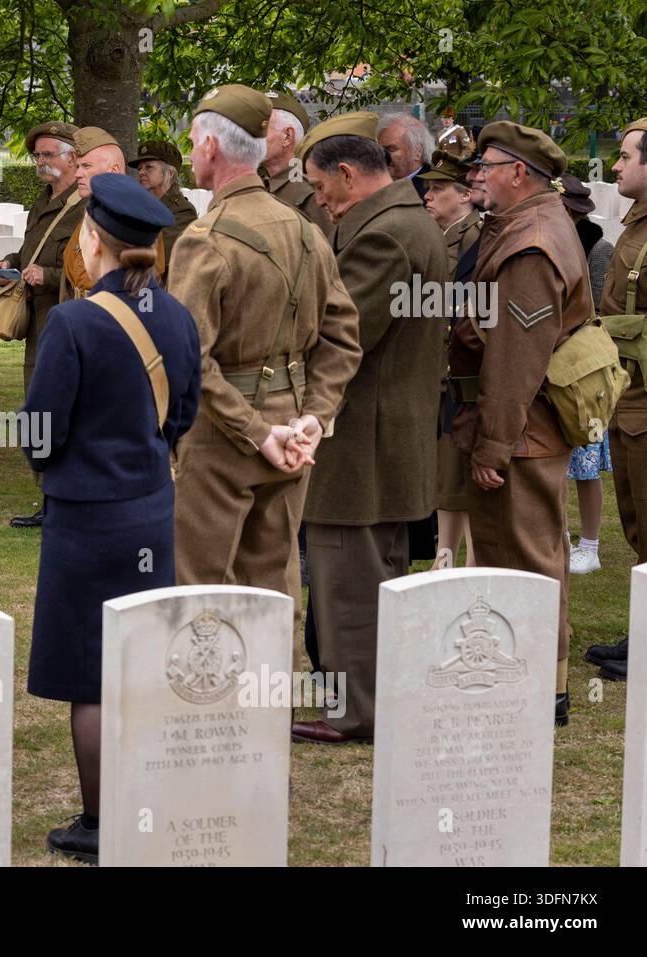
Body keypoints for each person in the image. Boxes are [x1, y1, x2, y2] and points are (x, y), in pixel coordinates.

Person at [22, 173, 201, 864]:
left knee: (89, 675)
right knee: (139, 664)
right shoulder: (178, 315)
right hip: (150, 507)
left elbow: (40, 431)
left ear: (91, 239)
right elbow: (180, 415)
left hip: (84, 516)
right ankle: (147, 804)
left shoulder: (72, 321)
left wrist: (54, 463)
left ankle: (102, 823)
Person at [169, 86, 362, 622]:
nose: (189, 152)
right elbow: (344, 334)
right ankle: (279, 703)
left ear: (210, 147)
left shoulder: (202, 240)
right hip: (293, 430)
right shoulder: (305, 230)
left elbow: (188, 360)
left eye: (191, 142)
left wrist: (257, 432)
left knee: (203, 592)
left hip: (221, 434)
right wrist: (313, 419)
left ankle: (212, 707)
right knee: (274, 586)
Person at [291, 112, 448, 745]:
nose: (318, 198)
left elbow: (339, 333)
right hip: (384, 433)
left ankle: (357, 713)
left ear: (347, 174)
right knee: (369, 579)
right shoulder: (404, 221)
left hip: (362, 439)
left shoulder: (385, 235)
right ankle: (372, 700)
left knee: (349, 584)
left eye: (319, 185)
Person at [448, 121, 592, 725]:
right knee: (517, 558)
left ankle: (542, 694)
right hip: (521, 427)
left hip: (523, 431)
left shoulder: (530, 244)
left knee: (529, 563)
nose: (475, 172)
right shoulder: (516, 228)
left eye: (486, 163)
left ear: (518, 173)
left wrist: (494, 446)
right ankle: (532, 685)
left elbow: (515, 358)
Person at [0, 121, 84, 528]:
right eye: (37, 155)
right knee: (39, 405)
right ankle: (49, 495)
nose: (41, 162)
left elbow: (88, 266)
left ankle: (69, 498)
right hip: (39, 322)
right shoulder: (42, 200)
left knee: (69, 406)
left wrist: (48, 276)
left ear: (73, 157)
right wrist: (11, 262)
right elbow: (35, 247)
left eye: (49, 154)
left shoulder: (86, 202)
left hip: (68, 315)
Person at [591, 117, 647, 681]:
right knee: (636, 522)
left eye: (627, 156)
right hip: (631, 395)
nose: (616, 165)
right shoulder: (635, 226)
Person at [417, 150, 483, 566]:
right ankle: (446, 553)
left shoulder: (476, 237)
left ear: (464, 196)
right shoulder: (439, 235)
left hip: (465, 371)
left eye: (439, 189)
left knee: (464, 472)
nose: (429, 195)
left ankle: (473, 559)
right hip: (439, 370)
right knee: (446, 472)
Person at [559, 174, 616, 576]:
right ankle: (559, 538)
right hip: (553, 365)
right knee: (555, 464)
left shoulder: (598, 247)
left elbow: (601, 312)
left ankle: (591, 545)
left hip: (585, 368)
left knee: (586, 463)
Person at [60, 128, 135, 298]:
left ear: (114, 171)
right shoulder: (96, 212)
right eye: (78, 166)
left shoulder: (134, 218)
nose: (77, 174)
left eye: (86, 166)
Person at [128, 138, 198, 272]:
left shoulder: (183, 211)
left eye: (149, 167)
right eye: (140, 168)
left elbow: (156, 254)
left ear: (170, 173)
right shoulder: (139, 207)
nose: (141, 172)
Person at [262, 90, 329, 228]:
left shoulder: (310, 194)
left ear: (287, 136)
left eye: (262, 128)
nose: (252, 136)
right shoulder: (267, 185)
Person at [377, 113, 435, 198]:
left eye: (391, 149)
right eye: (379, 149)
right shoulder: (379, 182)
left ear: (417, 152)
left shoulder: (432, 189)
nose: (383, 156)